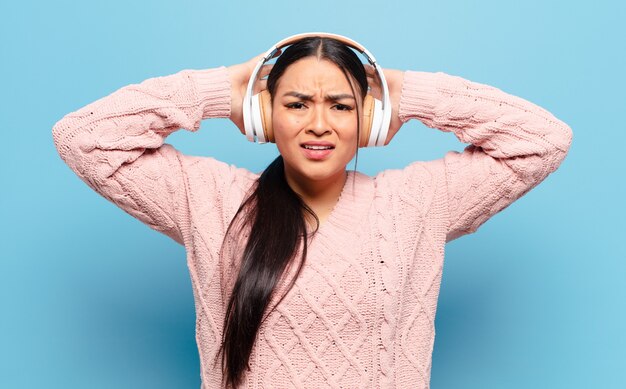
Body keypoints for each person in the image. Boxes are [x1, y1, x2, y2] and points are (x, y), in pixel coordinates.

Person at [52, 33, 572, 388]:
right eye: (297, 104)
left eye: (341, 106)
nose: (318, 124)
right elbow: (83, 137)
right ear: (264, 115)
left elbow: (543, 140)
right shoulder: (210, 199)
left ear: (369, 120)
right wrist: (226, 89)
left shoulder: (415, 203)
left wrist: (404, 91)